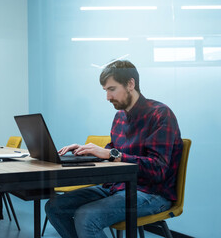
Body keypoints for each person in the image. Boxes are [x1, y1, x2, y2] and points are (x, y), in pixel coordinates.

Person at [45, 60, 183, 238]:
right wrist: (88, 151)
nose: (107, 97)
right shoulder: (120, 116)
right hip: (117, 187)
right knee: (54, 207)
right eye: (105, 91)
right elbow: (113, 150)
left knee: (86, 216)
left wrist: (111, 154)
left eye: (111, 89)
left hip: (152, 193)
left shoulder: (160, 114)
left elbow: (158, 169)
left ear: (130, 84)